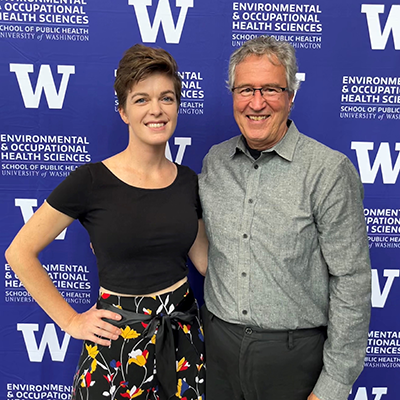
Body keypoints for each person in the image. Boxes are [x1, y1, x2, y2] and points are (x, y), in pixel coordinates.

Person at [5, 44, 207, 400]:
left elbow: (207, 263)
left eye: (167, 98)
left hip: (182, 344)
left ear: (177, 106)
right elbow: (19, 252)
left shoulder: (190, 182)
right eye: (142, 99)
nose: (156, 110)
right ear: (123, 111)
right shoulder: (91, 181)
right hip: (115, 347)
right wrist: (70, 321)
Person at [199, 36, 371, 400]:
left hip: (294, 365)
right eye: (246, 89)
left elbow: (352, 281)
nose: (256, 103)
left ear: (291, 95)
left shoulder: (328, 170)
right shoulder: (214, 162)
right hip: (218, 357)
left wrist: (333, 387)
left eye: (271, 90)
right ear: (233, 94)